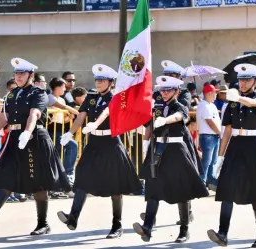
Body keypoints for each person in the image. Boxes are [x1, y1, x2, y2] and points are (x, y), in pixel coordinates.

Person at [0, 58, 71, 235]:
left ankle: (43, 223)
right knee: (7, 174)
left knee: (38, 182)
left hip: (34, 138)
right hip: (15, 137)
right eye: (16, 73)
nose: (18, 77)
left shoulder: (38, 93)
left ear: (31, 76)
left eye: (22, 73)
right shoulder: (11, 94)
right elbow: (4, 117)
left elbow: (35, 114)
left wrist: (27, 133)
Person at [56, 64, 142, 239]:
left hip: (110, 142)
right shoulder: (92, 97)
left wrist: (95, 123)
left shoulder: (117, 98)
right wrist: (70, 133)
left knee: (115, 186)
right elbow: (81, 115)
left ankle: (117, 225)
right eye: (97, 79)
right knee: (82, 177)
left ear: (111, 82)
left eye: (102, 80)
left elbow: (108, 112)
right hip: (94, 142)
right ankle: (73, 217)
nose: (98, 82)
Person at [207, 64, 256, 248]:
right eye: (240, 79)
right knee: (227, 189)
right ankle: (222, 233)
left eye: (247, 79)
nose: (243, 83)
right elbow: (228, 131)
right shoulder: (231, 101)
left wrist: (238, 97)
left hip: (253, 146)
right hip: (235, 146)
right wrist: (220, 157)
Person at [133, 76, 209, 243]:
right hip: (158, 151)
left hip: (176, 151)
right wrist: (146, 141)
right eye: (162, 90)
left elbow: (178, 117)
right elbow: (148, 124)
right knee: (153, 189)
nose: (164, 93)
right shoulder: (157, 106)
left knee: (181, 191)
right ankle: (147, 228)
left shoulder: (180, 106)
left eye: (168, 90)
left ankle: (184, 229)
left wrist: (164, 120)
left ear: (176, 91)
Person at [140, 59, 202, 226]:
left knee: (182, 177)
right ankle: (150, 217)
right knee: (156, 176)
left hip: (179, 137)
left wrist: (165, 119)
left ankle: (186, 214)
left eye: (171, 76)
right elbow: (150, 115)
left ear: (178, 78)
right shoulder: (159, 93)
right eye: (165, 76)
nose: (167, 79)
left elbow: (181, 113)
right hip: (159, 138)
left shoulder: (184, 94)